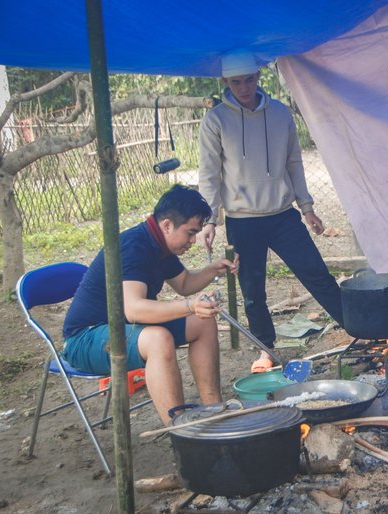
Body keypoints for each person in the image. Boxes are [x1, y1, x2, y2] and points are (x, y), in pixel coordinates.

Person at [198, 51, 344, 373]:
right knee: (253, 290)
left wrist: (307, 207)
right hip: (242, 219)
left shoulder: (279, 114)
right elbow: (209, 174)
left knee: (316, 273)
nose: (244, 87)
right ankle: (266, 349)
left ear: (258, 78)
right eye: (237, 82)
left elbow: (294, 162)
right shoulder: (216, 120)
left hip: (282, 214)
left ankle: (355, 325)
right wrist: (209, 220)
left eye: (249, 80)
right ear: (226, 82)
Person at [62, 184, 235, 426]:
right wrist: (189, 305)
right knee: (158, 338)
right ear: (166, 225)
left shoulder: (159, 243)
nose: (193, 240)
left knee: (201, 323)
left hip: (124, 329)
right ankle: (181, 430)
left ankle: (214, 410)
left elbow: (184, 283)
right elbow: (134, 310)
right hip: (85, 338)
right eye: (190, 232)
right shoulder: (134, 247)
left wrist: (212, 269)